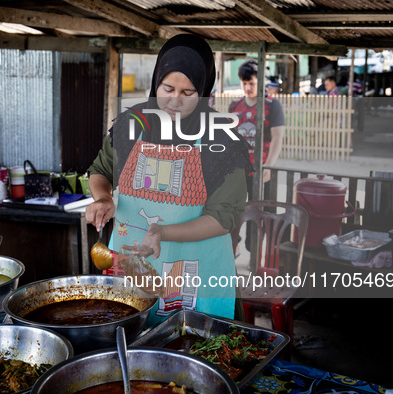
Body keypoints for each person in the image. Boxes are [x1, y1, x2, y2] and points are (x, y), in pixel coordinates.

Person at [86, 34, 252, 326]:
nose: (175, 101)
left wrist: (164, 233)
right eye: (168, 88)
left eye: (188, 93)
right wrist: (103, 198)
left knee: (197, 349)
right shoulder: (129, 125)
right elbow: (101, 170)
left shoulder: (224, 141)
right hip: (131, 267)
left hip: (197, 276)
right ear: (155, 82)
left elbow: (223, 217)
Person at [228, 59, 285, 199]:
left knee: (261, 212)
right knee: (236, 211)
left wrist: (269, 165)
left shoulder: (272, 105)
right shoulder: (234, 106)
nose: (248, 88)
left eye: (252, 83)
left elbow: (277, 137)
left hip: (261, 169)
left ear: (261, 82)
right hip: (239, 170)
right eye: (244, 83)